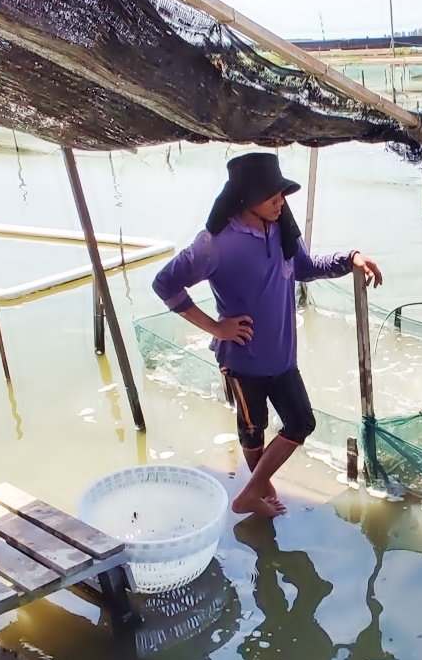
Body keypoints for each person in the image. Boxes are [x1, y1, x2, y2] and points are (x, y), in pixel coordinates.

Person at [151, 152, 382, 517]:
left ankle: (252, 489)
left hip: (282, 357)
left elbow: (306, 267)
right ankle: (256, 491)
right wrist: (216, 327)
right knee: (252, 428)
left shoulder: (282, 231)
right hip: (242, 360)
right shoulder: (215, 244)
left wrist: (350, 257)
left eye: (282, 195)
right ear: (245, 198)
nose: (281, 202)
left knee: (302, 421)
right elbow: (165, 284)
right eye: (272, 196)